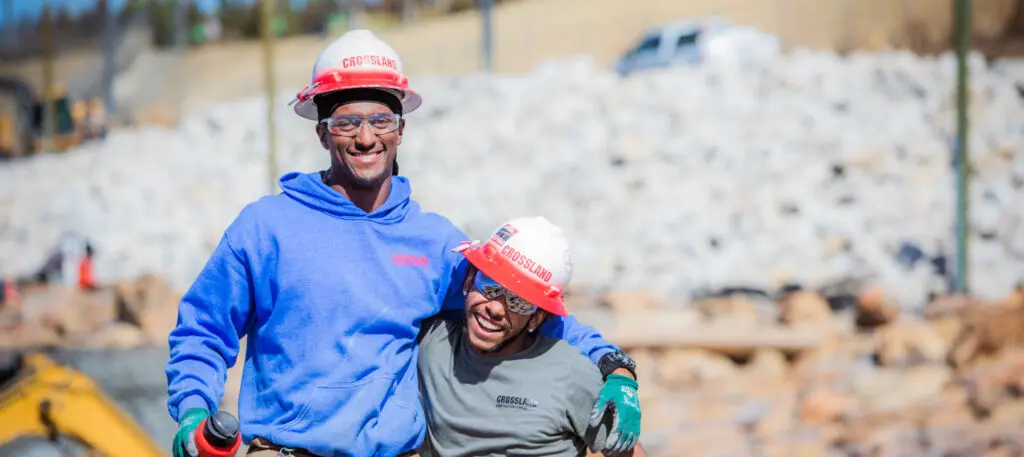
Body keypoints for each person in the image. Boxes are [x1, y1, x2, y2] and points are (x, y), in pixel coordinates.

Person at [165, 30, 642, 457]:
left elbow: (523, 303)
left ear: (401, 129)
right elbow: (203, 331)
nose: (366, 138)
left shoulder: (434, 242)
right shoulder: (264, 228)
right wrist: (193, 408)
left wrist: (615, 368)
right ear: (321, 133)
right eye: (347, 123)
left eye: (381, 121)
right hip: (287, 450)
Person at [417, 217, 646, 457]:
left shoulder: (570, 374)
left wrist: (622, 376)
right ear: (470, 277)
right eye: (491, 286)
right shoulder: (433, 344)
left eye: (518, 301)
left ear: (537, 318)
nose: (496, 308)